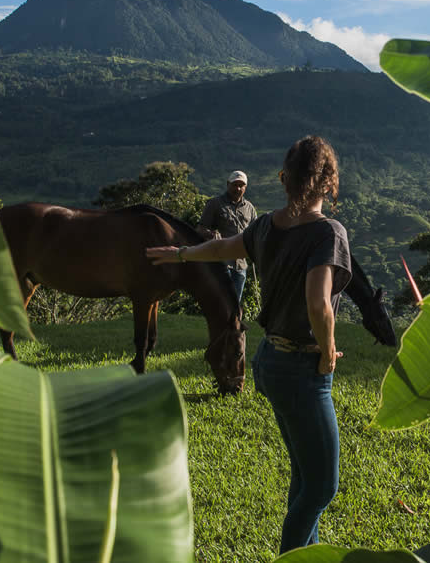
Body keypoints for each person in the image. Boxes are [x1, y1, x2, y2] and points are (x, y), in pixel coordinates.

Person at [147, 136, 350, 553]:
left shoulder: (265, 225)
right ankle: (289, 559)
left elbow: (223, 247)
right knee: (323, 486)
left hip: (270, 361)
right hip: (303, 368)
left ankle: (305, 558)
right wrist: (328, 352)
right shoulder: (327, 232)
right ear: (328, 182)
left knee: (304, 475)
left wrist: (182, 254)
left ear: (285, 179)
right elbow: (318, 304)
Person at [197, 169, 257, 302]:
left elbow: (256, 233)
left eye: (241, 185)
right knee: (219, 303)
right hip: (220, 263)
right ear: (228, 184)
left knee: (234, 304)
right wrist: (212, 234)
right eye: (235, 185)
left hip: (240, 266)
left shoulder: (250, 208)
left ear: (245, 187)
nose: (238, 188)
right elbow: (200, 229)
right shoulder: (215, 203)